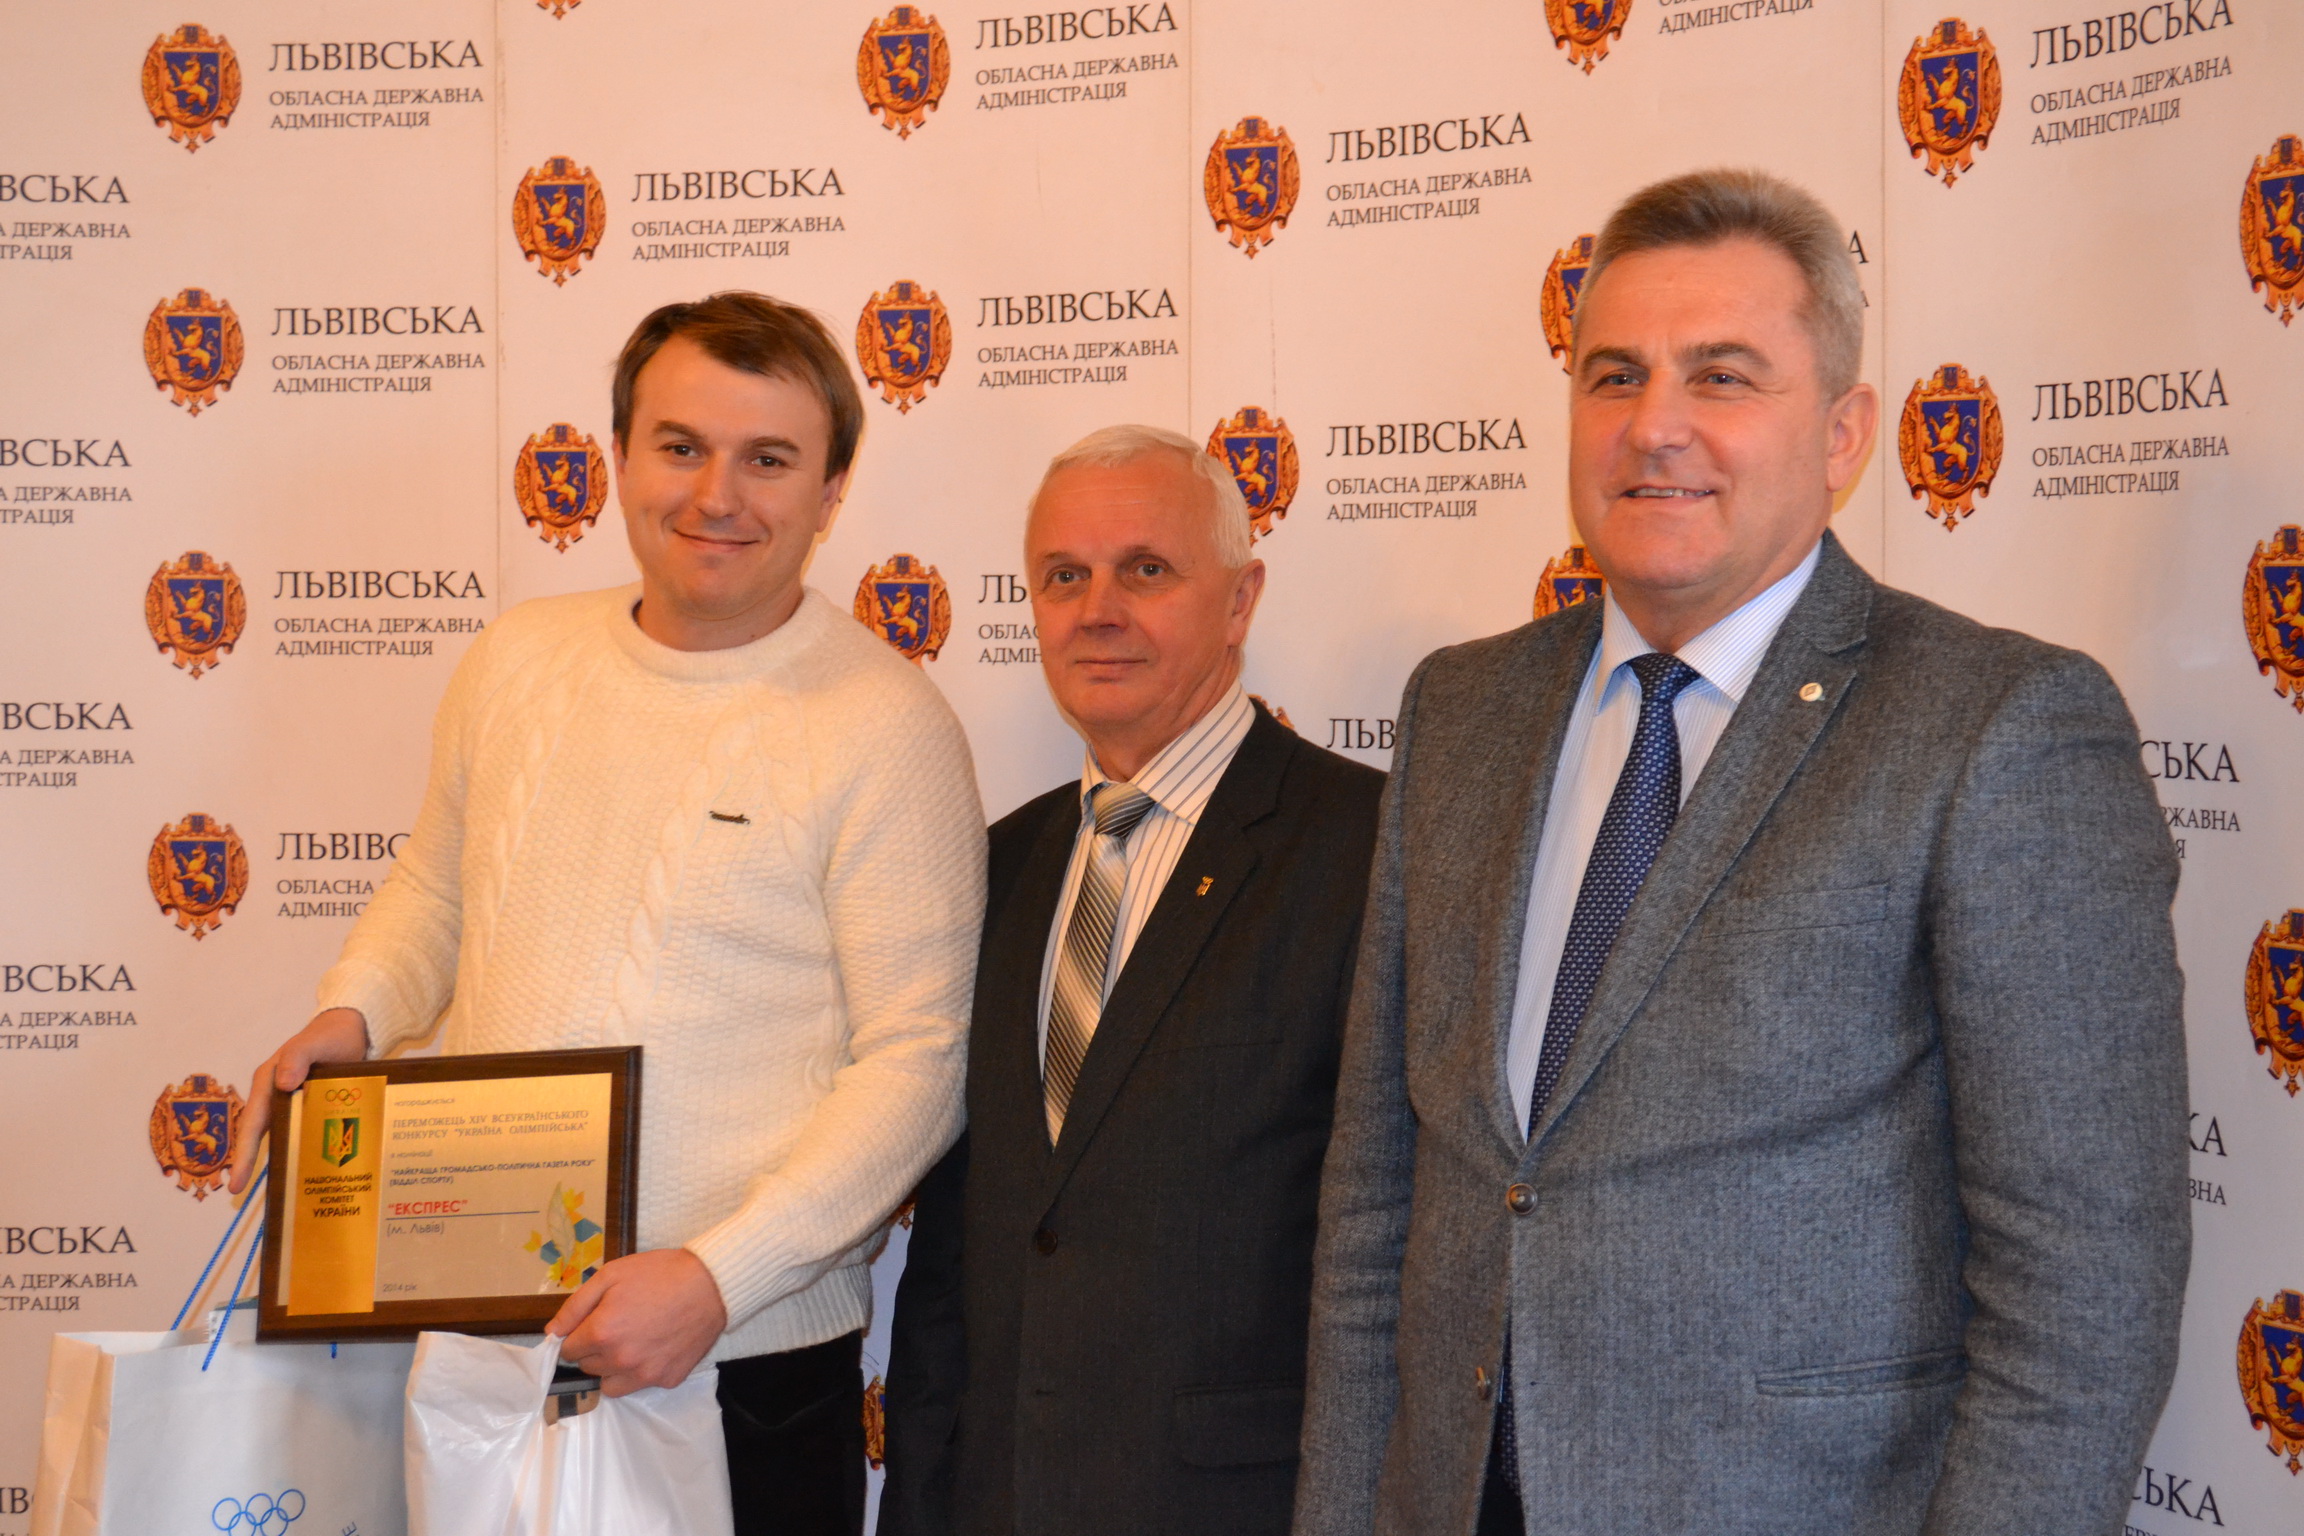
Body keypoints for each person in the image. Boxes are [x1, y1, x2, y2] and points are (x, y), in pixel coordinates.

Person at [1294, 169, 2189, 1536]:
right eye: (1613, 375)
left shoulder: (1996, 727)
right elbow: (1377, 1206)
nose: (1655, 425)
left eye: (1722, 376)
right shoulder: (1462, 711)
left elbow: (2084, 1297)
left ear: (1843, 434)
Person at [226, 291, 986, 1536]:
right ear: (618, 454)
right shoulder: (515, 660)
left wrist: (716, 1280)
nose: (717, 495)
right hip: (488, 1335)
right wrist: (351, 1014)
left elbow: (919, 1066)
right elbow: (437, 888)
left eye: (769, 459)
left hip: (739, 1365)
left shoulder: (887, 729)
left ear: (832, 490)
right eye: (681, 446)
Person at [881, 426, 1385, 1536]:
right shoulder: (994, 867)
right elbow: (955, 1257)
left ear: (1241, 600)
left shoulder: (1370, 847)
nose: (1097, 610)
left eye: (1146, 570)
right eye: (1064, 576)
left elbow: (1402, 1239)